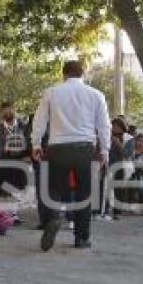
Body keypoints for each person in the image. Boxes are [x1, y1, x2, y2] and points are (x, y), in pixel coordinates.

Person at [31, 60, 111, 250]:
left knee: (53, 189)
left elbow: (40, 120)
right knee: (84, 194)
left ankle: (54, 217)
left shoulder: (51, 92)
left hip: (57, 148)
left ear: (63, 74)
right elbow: (104, 125)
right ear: (83, 74)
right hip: (85, 149)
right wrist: (105, 151)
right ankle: (81, 238)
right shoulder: (96, 95)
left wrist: (35, 143)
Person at [0, 101, 28, 224]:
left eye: (10, 110)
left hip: (18, 161)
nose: (8, 113)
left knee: (17, 188)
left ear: (14, 110)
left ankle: (14, 214)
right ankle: (2, 214)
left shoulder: (22, 125)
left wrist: (26, 154)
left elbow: (28, 140)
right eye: (5, 111)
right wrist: (3, 149)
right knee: (1, 188)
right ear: (1, 113)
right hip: (2, 160)